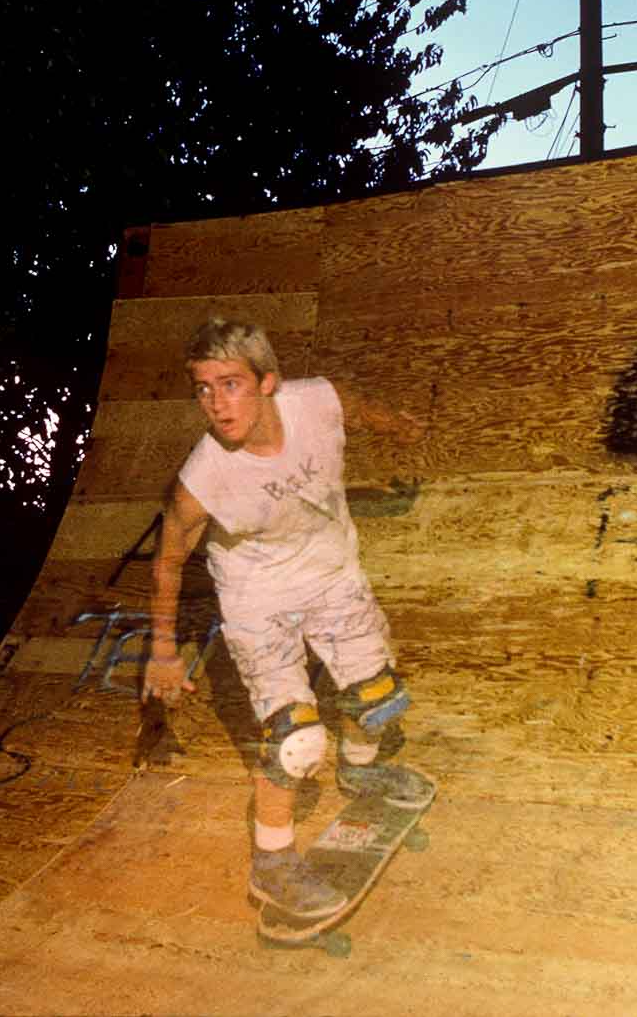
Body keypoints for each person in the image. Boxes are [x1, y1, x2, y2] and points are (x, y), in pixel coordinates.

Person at [143, 317, 433, 917]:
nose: (216, 404)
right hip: (258, 602)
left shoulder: (317, 401)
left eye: (230, 385)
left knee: (378, 697)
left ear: (268, 382)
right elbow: (168, 561)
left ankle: (360, 771)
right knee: (295, 741)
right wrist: (164, 650)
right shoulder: (202, 479)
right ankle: (271, 865)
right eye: (203, 389)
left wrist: (398, 426)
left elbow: (357, 407)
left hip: (332, 576)